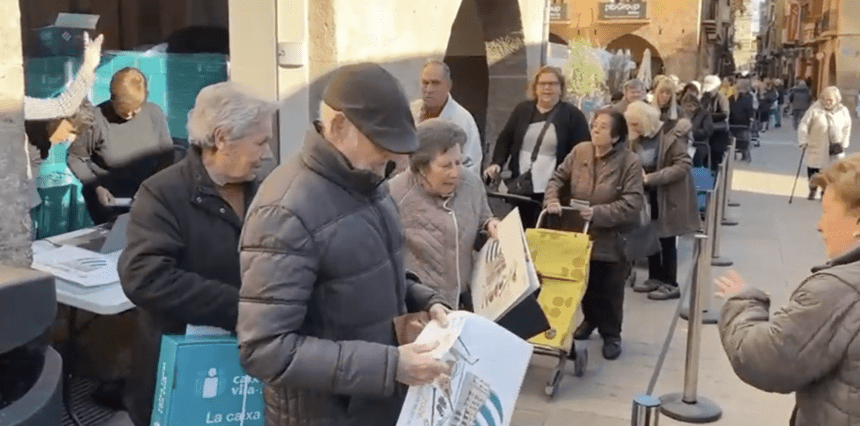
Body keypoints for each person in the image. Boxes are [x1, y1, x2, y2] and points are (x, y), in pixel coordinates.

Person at [236, 63, 452, 426]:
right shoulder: (285, 211)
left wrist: (423, 299)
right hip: (324, 414)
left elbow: (370, 268)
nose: (392, 161)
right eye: (382, 147)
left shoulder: (366, 180)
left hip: (374, 404)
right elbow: (265, 350)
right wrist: (390, 366)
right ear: (339, 127)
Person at [117, 82, 276, 426]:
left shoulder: (266, 192)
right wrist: (244, 309)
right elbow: (145, 276)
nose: (268, 154)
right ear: (222, 137)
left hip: (249, 368)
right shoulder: (162, 193)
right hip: (179, 374)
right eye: (261, 142)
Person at [716, 154, 860, 426]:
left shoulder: (839, 290)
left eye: (827, 212)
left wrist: (743, 301)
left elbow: (767, 360)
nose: (819, 225)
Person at [543, 109, 644, 360]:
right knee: (583, 283)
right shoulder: (581, 151)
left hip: (611, 236)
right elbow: (557, 178)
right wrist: (552, 199)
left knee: (609, 286)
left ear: (616, 136)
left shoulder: (630, 162)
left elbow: (632, 203)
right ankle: (589, 320)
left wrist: (598, 212)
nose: (595, 129)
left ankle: (612, 334)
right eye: (595, 125)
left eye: (602, 127)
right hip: (577, 232)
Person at [389, 119, 500, 309]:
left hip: (465, 303)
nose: (455, 173)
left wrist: (490, 225)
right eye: (446, 165)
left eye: (458, 162)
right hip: (419, 308)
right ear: (421, 167)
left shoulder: (472, 185)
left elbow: (482, 217)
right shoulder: (394, 194)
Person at [484, 66, 590, 226]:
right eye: (542, 84)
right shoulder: (523, 110)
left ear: (561, 89)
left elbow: (582, 151)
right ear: (535, 88)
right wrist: (497, 163)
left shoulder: (572, 115)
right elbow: (506, 138)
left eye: (553, 84)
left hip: (552, 191)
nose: (547, 88)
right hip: (522, 185)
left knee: (544, 232)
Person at [68, 67, 174, 224]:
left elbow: (167, 157)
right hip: (109, 203)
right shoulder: (96, 120)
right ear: (113, 100)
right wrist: (96, 187)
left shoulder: (154, 114)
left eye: (137, 108)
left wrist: (153, 188)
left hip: (148, 200)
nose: (131, 115)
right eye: (125, 111)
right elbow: (75, 158)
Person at [625, 102, 700, 300]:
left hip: (667, 194)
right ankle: (654, 277)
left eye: (636, 124)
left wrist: (652, 178)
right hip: (648, 194)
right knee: (649, 234)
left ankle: (670, 283)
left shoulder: (670, 136)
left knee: (667, 238)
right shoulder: (637, 139)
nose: (633, 129)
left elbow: (683, 165)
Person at [410, 60, 483, 176]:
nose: (428, 90)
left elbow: (470, 168)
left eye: (435, 83)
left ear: (448, 86)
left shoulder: (463, 120)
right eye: (425, 83)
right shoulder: (411, 111)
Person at [798, 86, 852, 200]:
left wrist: (844, 143)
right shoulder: (814, 109)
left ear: (837, 100)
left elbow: (847, 127)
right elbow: (803, 125)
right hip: (817, 145)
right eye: (824, 99)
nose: (826, 102)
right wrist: (803, 141)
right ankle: (813, 189)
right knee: (814, 170)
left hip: (835, 147)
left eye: (830, 100)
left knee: (832, 172)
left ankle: (825, 192)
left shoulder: (843, 111)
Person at [701, 75, 731, 171]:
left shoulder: (721, 98)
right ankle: (704, 184)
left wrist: (708, 116)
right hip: (706, 133)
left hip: (718, 134)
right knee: (703, 159)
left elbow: (724, 114)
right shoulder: (704, 98)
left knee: (715, 160)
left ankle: (714, 182)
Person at [681, 92, 714, 168]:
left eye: (690, 106)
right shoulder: (682, 113)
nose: (688, 109)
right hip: (683, 143)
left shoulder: (705, 114)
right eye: (685, 107)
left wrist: (692, 133)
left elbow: (707, 131)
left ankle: (699, 178)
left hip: (699, 143)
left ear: (696, 105)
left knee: (697, 158)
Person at [729, 79, 757, 162]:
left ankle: (735, 155)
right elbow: (753, 109)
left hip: (734, 123)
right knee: (744, 140)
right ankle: (745, 155)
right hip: (743, 123)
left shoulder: (732, 97)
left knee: (734, 140)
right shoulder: (749, 97)